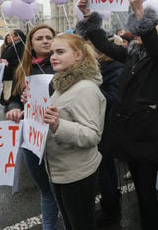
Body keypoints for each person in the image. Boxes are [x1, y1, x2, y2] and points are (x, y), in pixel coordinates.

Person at [75, 0, 158, 230]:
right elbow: (105, 47)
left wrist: (140, 13)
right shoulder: (134, 54)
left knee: (147, 195)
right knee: (141, 193)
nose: (133, 32)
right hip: (129, 133)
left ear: (156, 30)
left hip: (147, 135)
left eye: (140, 29)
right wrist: (88, 16)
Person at [44, 33, 106, 230]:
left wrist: (58, 125)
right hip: (60, 171)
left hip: (77, 174)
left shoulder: (85, 89)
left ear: (78, 55)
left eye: (60, 52)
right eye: (52, 52)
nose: (53, 56)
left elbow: (92, 135)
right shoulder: (62, 84)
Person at [5, 24, 59, 230]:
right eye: (40, 38)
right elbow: (14, 99)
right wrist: (14, 108)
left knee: (59, 192)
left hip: (56, 136)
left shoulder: (64, 65)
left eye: (49, 37)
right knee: (46, 191)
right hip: (32, 139)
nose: (45, 41)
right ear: (31, 44)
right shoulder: (23, 69)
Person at [92, 38, 124, 227]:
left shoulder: (116, 69)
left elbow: (113, 99)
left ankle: (111, 210)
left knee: (104, 170)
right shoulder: (103, 68)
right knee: (106, 169)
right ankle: (110, 204)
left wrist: (91, 89)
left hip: (109, 127)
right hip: (101, 124)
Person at [0, 29, 26, 109]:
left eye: (11, 35)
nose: (8, 36)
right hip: (8, 75)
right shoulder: (11, 45)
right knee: (7, 94)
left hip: (13, 77)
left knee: (11, 96)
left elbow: (21, 63)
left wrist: (8, 64)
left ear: (17, 37)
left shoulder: (21, 46)